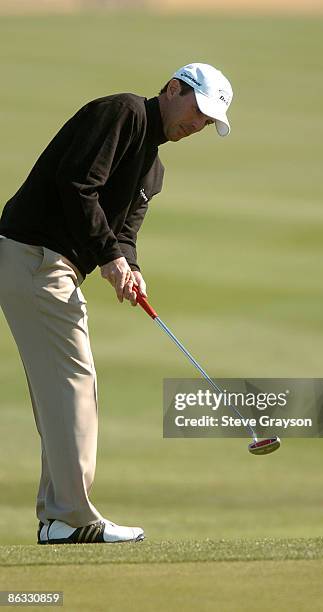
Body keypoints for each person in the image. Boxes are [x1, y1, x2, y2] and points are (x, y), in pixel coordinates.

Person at [0, 63, 233, 545]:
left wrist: (130, 266)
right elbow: (77, 183)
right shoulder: (124, 113)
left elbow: (124, 232)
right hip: (34, 257)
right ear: (172, 89)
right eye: (197, 111)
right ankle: (69, 518)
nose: (197, 125)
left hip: (45, 265)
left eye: (208, 122)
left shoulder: (154, 167)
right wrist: (108, 258)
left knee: (62, 394)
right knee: (74, 386)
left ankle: (58, 516)